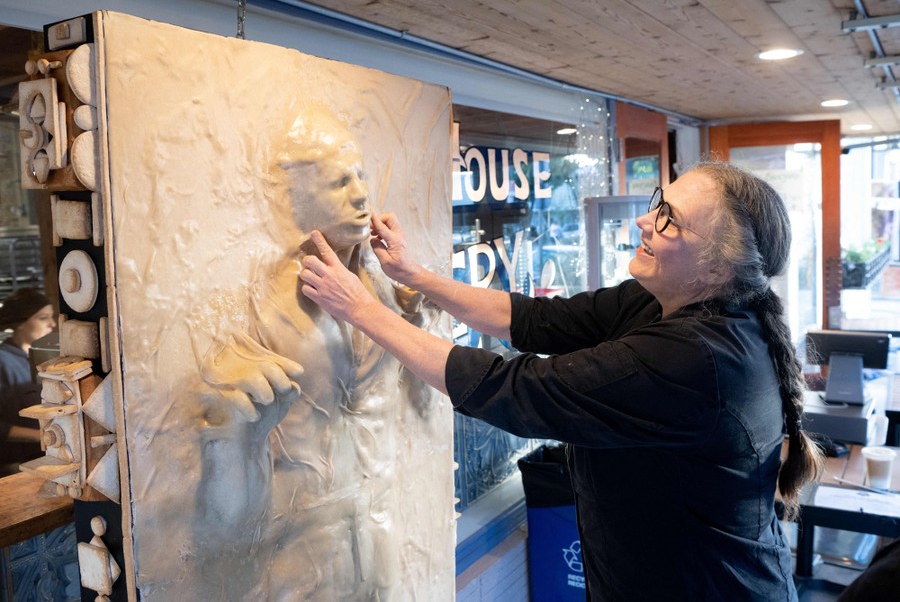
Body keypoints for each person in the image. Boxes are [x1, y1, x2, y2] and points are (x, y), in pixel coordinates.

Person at [297, 160, 825, 601]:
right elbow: (533, 320)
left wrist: (362, 310)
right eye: (659, 200)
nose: (645, 220)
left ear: (716, 266)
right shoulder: (665, 299)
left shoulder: (697, 359)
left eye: (669, 220)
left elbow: (517, 390)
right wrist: (416, 276)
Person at [194, 107, 434, 599]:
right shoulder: (262, 307)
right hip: (306, 553)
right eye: (339, 182)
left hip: (378, 528)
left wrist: (414, 310)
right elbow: (221, 524)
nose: (362, 194)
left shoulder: (381, 283)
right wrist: (229, 437)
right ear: (297, 200)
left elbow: (419, 401)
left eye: (361, 176)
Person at [0, 287, 56, 476]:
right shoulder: (3, 361)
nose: (52, 324)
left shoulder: (42, 358)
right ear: (21, 323)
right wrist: (42, 436)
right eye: (43, 318)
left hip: (45, 457)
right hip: (15, 467)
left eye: (52, 316)